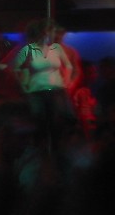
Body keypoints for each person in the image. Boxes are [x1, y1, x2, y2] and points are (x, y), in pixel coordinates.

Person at [12, 19, 77, 152]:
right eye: (49, 31)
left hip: (56, 90)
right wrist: (24, 86)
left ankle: (57, 151)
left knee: (58, 122)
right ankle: (42, 152)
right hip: (37, 91)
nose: (52, 34)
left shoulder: (56, 48)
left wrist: (67, 81)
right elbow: (16, 68)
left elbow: (69, 66)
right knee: (40, 122)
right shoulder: (28, 49)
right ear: (41, 33)